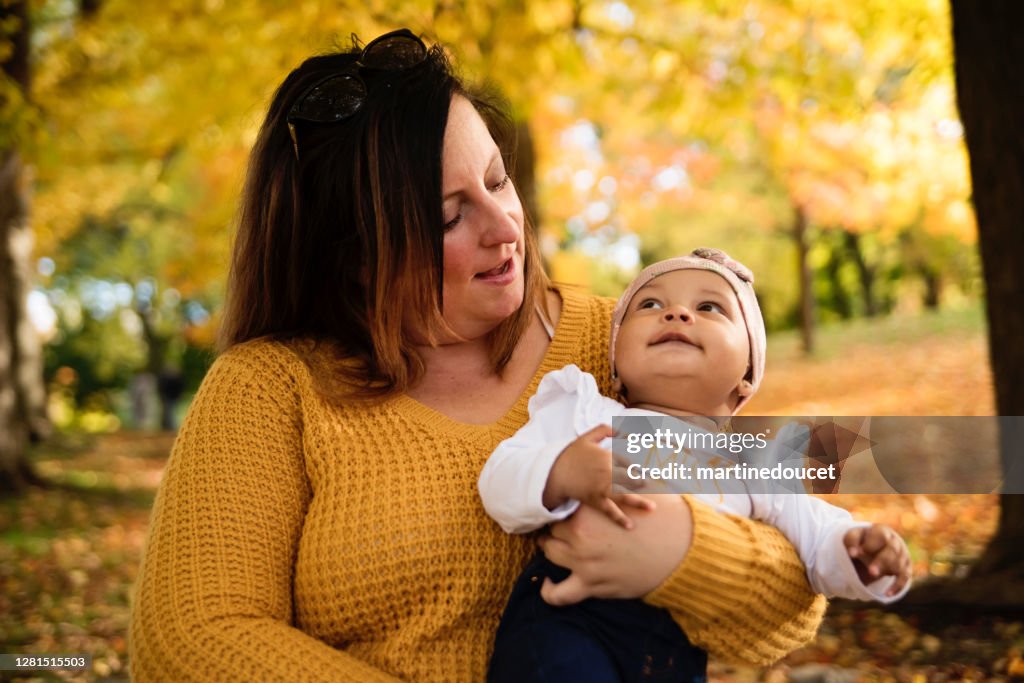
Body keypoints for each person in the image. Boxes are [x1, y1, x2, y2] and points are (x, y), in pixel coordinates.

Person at [128, 29, 827, 682]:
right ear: (354, 262)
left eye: (497, 180)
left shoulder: (619, 343)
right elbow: (190, 639)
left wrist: (682, 553)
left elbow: (794, 592)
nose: (505, 227)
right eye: (448, 216)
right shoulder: (270, 389)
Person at [479, 248, 912, 682]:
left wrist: (859, 552)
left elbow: (816, 542)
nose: (677, 314)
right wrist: (560, 472)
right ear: (616, 365)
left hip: (675, 652)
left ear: (746, 374)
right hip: (567, 626)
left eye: (709, 307)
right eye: (651, 305)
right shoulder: (583, 413)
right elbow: (499, 479)